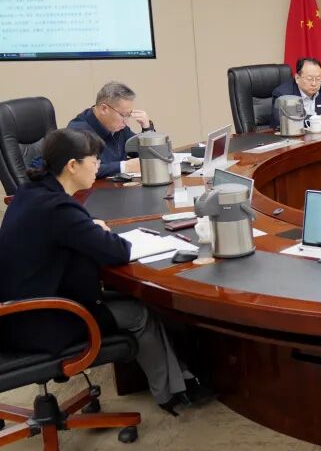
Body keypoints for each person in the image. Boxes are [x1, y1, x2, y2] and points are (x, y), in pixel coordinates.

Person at [0, 129, 212, 415]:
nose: (98, 166)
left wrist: (89, 227)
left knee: (132, 298)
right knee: (140, 313)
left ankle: (180, 379)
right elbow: (118, 251)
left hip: (16, 312)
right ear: (72, 165)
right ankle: (171, 395)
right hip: (43, 321)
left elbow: (66, 232)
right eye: (94, 161)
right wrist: (96, 230)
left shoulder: (31, 192)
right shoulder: (59, 210)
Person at [67, 81, 153, 178]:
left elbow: (147, 154)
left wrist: (147, 129)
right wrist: (124, 167)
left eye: (129, 116)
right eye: (124, 115)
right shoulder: (78, 131)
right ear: (104, 109)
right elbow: (81, 169)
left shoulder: (120, 127)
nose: (126, 122)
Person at [271, 57, 321, 129]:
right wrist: (318, 119)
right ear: (297, 78)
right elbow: (292, 120)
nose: (314, 84)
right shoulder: (284, 95)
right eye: (309, 79)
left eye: (318, 79)